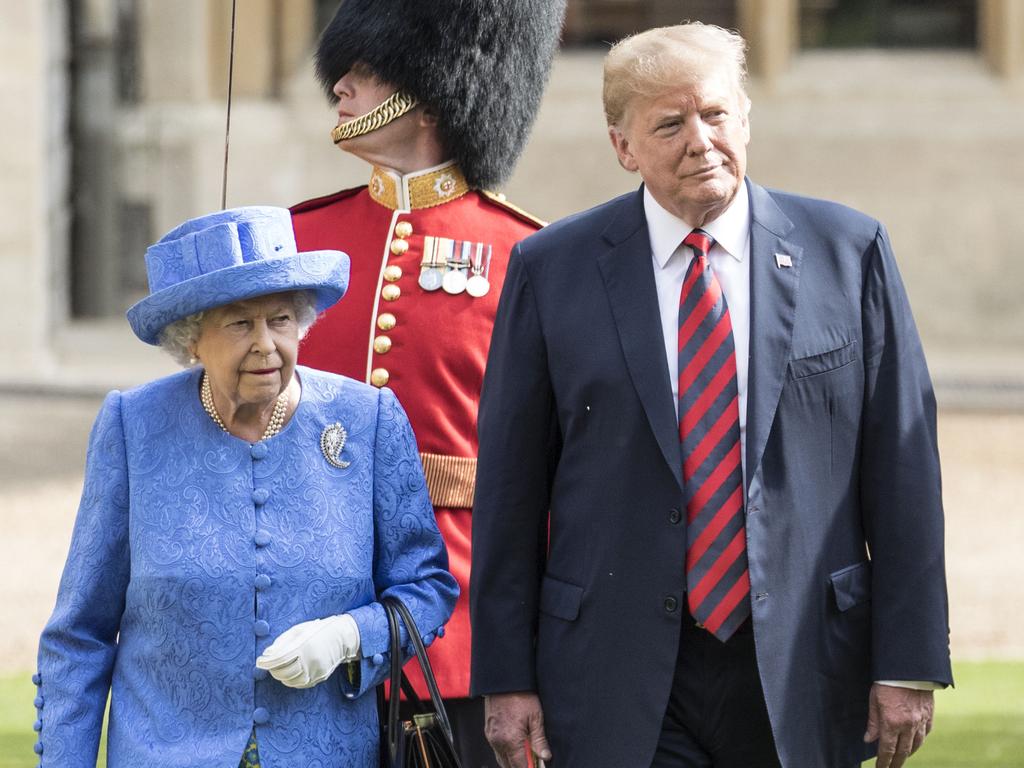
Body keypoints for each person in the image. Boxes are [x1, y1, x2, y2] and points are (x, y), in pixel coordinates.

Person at [470, 23, 952, 768]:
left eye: (716, 114)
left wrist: (908, 658)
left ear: (746, 119)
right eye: (669, 123)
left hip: (801, 663)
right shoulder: (550, 270)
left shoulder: (849, 253)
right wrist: (505, 678)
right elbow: (510, 488)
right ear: (622, 147)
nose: (700, 140)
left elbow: (904, 469)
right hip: (614, 666)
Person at [33, 206, 458, 767]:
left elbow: (426, 589)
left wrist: (350, 637)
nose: (265, 344)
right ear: (191, 340)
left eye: (280, 319)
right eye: (239, 323)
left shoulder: (368, 421)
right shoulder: (133, 427)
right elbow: (80, 636)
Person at [290, 1, 566, 764]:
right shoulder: (299, 243)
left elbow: (552, 473)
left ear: (429, 87)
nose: (339, 86)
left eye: (366, 70)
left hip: (459, 628)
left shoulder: (528, 256)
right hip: (302, 612)